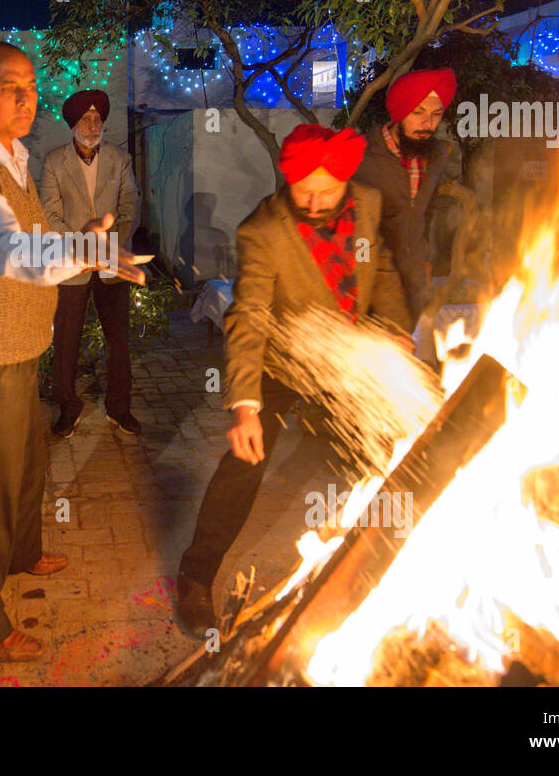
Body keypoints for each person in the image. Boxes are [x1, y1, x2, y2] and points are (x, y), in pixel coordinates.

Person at [0, 42, 148, 662]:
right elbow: (14, 252)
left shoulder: (14, 158)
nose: (26, 98)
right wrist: (95, 254)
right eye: (7, 86)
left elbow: (40, 236)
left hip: (18, 344)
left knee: (25, 462)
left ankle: (20, 554)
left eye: (30, 84)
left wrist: (92, 244)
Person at [175, 124, 413, 635]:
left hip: (349, 353)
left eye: (327, 189)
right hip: (283, 359)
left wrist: (395, 332)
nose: (315, 199)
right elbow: (249, 316)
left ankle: (374, 564)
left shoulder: (367, 206)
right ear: (288, 178)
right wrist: (244, 406)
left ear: (346, 182)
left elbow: (384, 272)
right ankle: (195, 577)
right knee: (245, 462)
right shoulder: (262, 230)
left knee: (384, 451)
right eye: (304, 187)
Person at [40, 88, 141, 438]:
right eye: (86, 118)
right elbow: (50, 214)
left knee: (119, 341)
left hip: (112, 262)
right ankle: (67, 408)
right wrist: (81, 246)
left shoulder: (119, 159)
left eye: (98, 118)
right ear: (73, 123)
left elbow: (130, 205)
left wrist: (113, 242)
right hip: (72, 264)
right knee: (67, 342)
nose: (93, 124)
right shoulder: (54, 162)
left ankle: (119, 408)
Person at [353, 67, 455, 321]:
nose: (427, 124)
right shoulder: (361, 156)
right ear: (399, 112)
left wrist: (425, 257)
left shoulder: (436, 154)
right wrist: (359, 271)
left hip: (414, 276)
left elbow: (426, 209)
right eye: (417, 113)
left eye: (435, 114)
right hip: (371, 279)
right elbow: (350, 224)